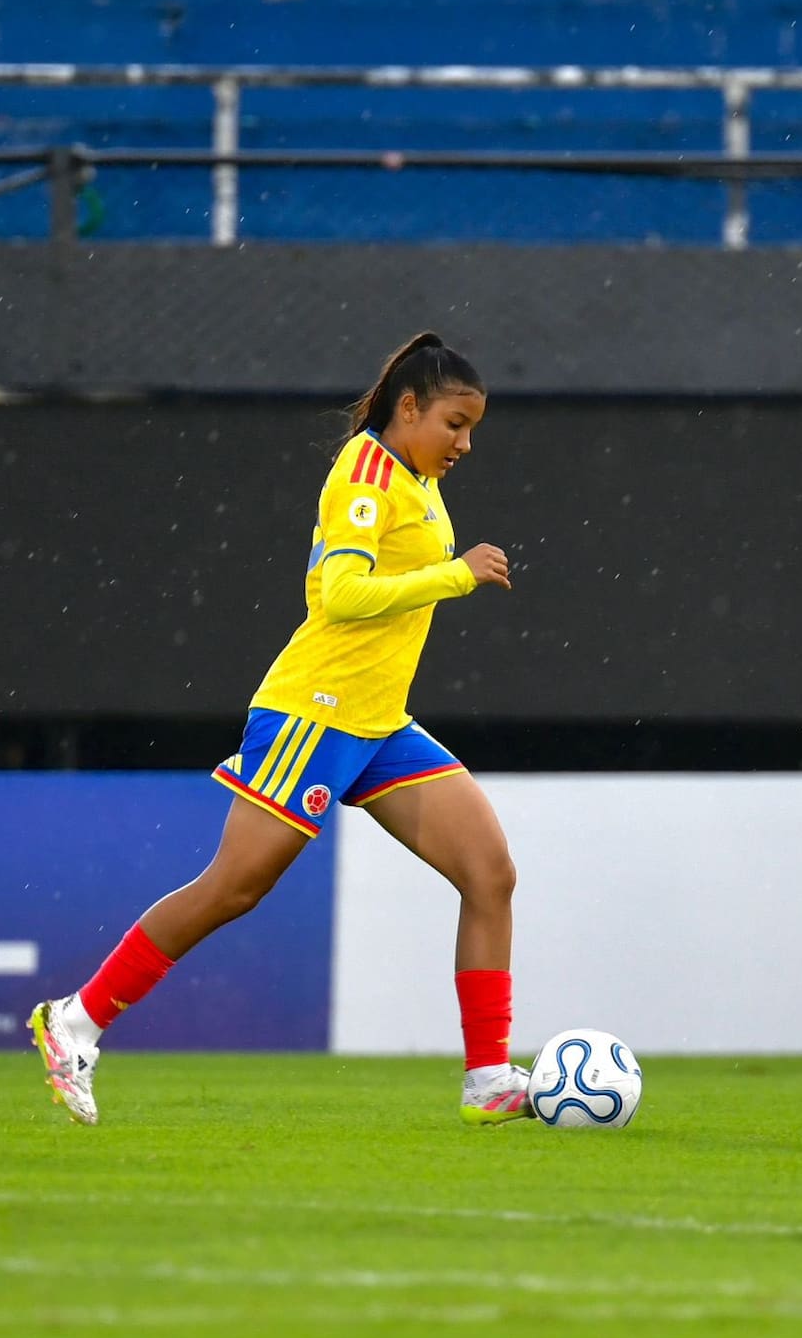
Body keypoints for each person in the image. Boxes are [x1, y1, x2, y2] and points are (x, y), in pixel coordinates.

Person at [30, 331, 533, 1128]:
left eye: (472, 428)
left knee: (490, 874)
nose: (465, 443)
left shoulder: (415, 473)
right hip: (316, 712)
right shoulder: (365, 473)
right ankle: (76, 1022)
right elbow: (337, 595)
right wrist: (455, 573)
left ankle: (489, 1078)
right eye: (455, 424)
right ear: (409, 409)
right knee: (235, 887)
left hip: (379, 723)